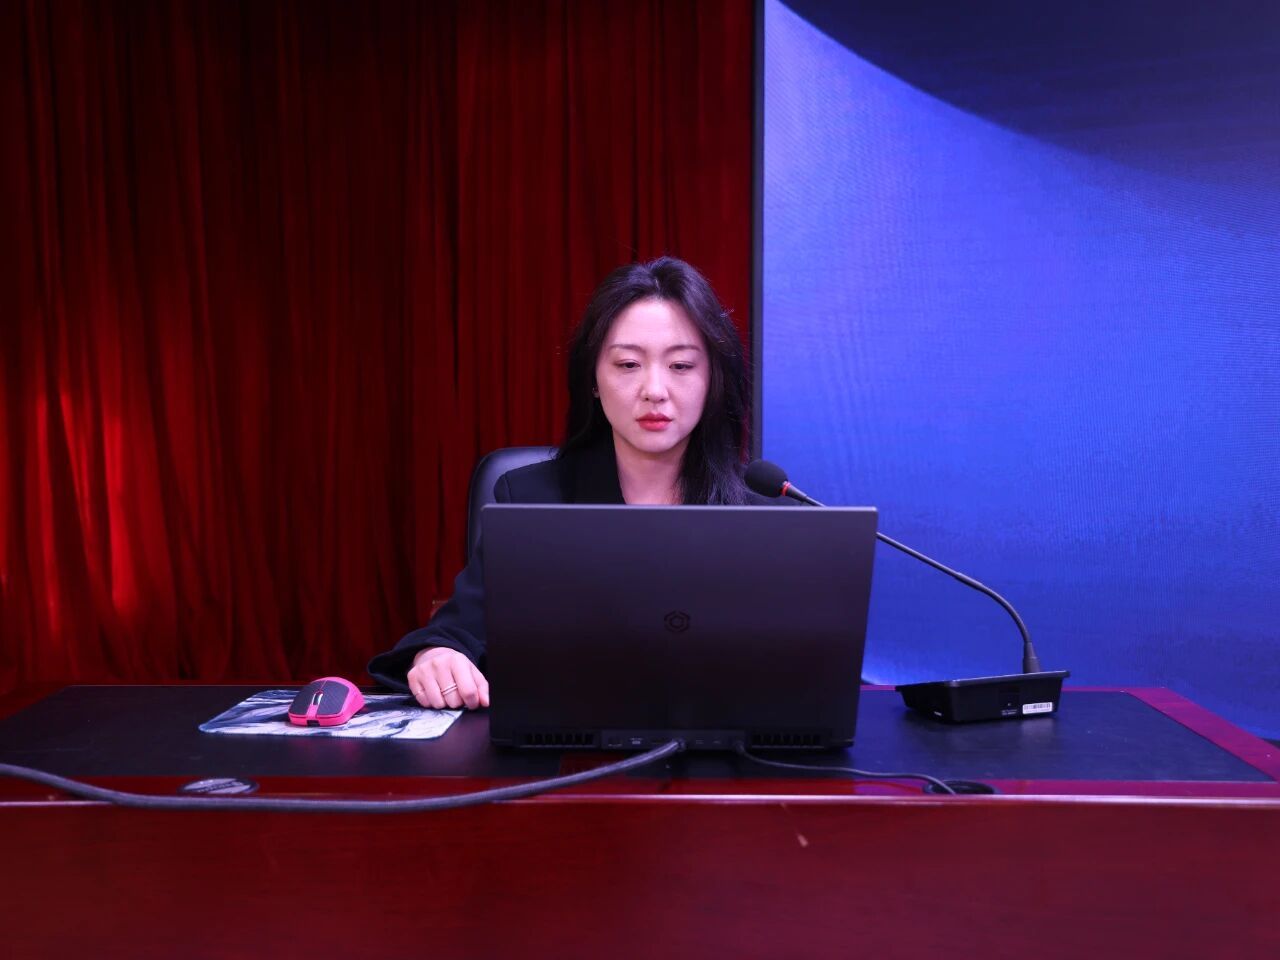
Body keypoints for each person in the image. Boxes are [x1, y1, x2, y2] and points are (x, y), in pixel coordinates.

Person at [366, 256, 786, 709]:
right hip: (568, 744)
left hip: (722, 747)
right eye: (628, 364)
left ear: (714, 380)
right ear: (593, 380)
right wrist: (437, 656)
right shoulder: (531, 501)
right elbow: (454, 632)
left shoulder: (767, 519)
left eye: (681, 366)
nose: (654, 390)